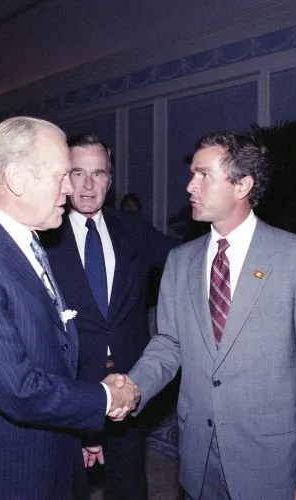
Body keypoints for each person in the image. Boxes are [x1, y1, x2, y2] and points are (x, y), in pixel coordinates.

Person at [0, 117, 140, 500]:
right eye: (62, 176)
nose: (71, 189)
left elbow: (54, 355)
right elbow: (18, 388)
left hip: (53, 456)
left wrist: (84, 433)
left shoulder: (31, 243)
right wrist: (104, 398)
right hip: (0, 475)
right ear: (17, 179)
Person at [125, 131, 296, 499]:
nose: (190, 186)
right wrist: (132, 388)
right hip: (197, 460)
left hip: (271, 463)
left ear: (242, 185)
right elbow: (168, 344)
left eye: (203, 175)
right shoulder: (181, 261)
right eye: (192, 174)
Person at [42, 134, 179, 499]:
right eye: (78, 173)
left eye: (98, 174)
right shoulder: (41, 237)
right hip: (69, 388)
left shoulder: (132, 229)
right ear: (64, 178)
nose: (88, 185)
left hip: (129, 382)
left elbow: (184, 258)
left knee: (129, 484)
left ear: (110, 180)